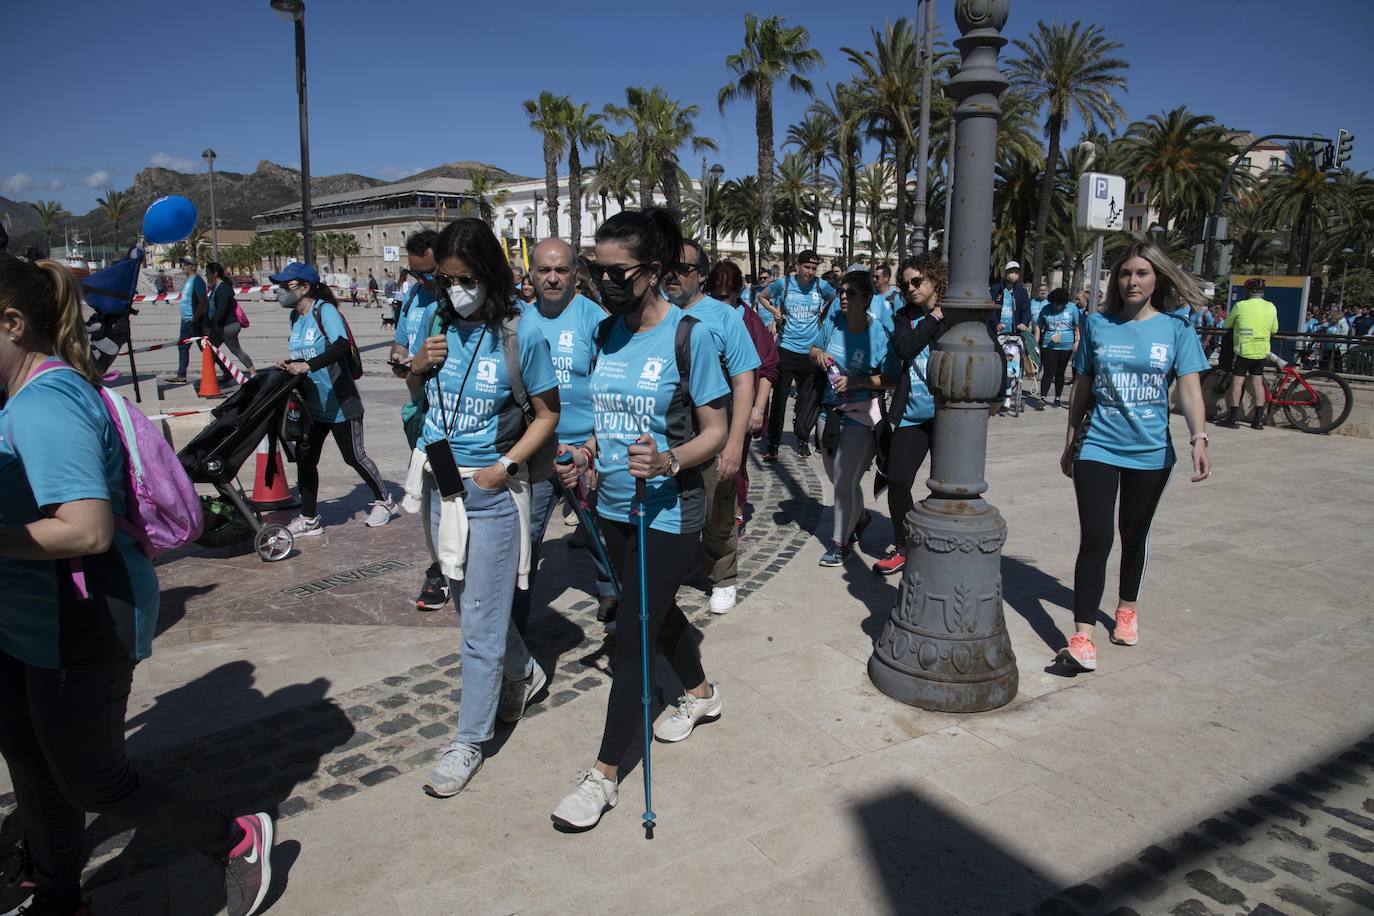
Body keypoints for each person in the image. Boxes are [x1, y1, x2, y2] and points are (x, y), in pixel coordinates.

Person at [0, 254, 276, 916]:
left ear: (11, 324)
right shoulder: (20, 398)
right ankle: (57, 893)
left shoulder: (45, 406)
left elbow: (86, 529)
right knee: (35, 769)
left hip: (83, 616)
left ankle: (235, 839)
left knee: (91, 779)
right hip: (24, 619)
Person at [549, 209, 728, 832]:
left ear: (652, 271)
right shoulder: (604, 333)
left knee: (630, 637)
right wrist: (585, 453)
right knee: (650, 608)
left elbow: (715, 429)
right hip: (614, 507)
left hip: (670, 510)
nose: (604, 282)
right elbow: (607, 418)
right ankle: (702, 694)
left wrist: (669, 459)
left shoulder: (689, 336)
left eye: (617, 272)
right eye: (596, 270)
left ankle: (602, 777)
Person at [404, 218, 560, 798]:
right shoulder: (436, 321)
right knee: (469, 605)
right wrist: (417, 368)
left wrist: (505, 467)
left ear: (490, 274)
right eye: (445, 280)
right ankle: (524, 672)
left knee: (479, 627)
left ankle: (469, 741)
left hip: (491, 492)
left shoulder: (522, 334)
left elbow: (547, 414)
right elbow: (422, 400)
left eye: (465, 279)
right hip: (437, 481)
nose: (455, 291)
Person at [1057, 241, 1211, 673]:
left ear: (1157, 278)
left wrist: (1199, 438)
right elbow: (1082, 388)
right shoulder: (1097, 325)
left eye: (1142, 273)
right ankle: (1082, 636)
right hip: (1097, 446)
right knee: (1096, 538)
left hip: (1151, 451)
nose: (1132, 281)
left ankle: (1126, 608)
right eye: (1125, 273)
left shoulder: (1176, 329)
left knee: (1134, 534)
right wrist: (1070, 441)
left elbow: (1189, 389)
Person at [514, 238, 619, 627]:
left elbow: (612, 389)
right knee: (526, 535)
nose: (553, 278)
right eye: (544, 270)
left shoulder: (596, 320)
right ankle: (516, 615)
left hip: (586, 449)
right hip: (536, 450)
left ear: (576, 275)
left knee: (599, 530)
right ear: (531, 275)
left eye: (561, 270)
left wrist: (591, 449)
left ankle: (611, 590)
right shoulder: (519, 321)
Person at [664, 240, 759, 614]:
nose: (673, 275)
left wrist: (734, 442)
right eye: (668, 267)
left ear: (702, 276)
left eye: (683, 268)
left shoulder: (724, 317)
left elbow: (744, 379)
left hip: (712, 430)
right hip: (667, 430)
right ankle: (666, 572)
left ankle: (722, 577)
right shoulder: (655, 313)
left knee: (716, 508)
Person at [272, 262, 397, 536]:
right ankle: (309, 519)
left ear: (305, 287)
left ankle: (385, 501)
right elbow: (305, 354)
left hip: (340, 401)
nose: (281, 291)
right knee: (306, 459)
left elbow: (341, 345)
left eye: (286, 286)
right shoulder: (295, 317)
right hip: (313, 406)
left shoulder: (324, 311)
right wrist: (291, 362)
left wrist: (306, 366)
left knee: (354, 456)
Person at [388, 232, 453, 612]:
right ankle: (441, 568)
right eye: (416, 274)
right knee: (433, 500)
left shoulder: (453, 305)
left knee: (452, 499)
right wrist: (403, 360)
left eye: (430, 273)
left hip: (453, 422)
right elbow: (401, 342)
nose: (424, 281)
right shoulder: (416, 299)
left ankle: (448, 570)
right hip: (422, 414)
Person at [811, 269, 892, 567]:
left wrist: (857, 382)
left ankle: (839, 543)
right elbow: (813, 349)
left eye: (851, 293)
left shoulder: (878, 334)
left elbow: (892, 378)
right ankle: (860, 517)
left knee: (844, 478)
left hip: (861, 413)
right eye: (841, 292)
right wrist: (819, 356)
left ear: (867, 298)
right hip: (829, 412)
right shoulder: (835, 321)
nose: (843, 297)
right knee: (838, 478)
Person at [874, 255, 945, 576]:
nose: (911, 288)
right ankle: (904, 546)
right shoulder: (904, 317)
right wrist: (933, 318)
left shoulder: (954, 315)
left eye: (917, 281)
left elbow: (992, 349)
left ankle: (941, 545)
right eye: (905, 284)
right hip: (911, 415)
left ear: (934, 280)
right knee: (899, 480)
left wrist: (996, 396)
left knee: (945, 486)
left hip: (946, 418)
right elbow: (905, 348)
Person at [706, 259, 778, 541]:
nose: (722, 303)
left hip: (741, 405)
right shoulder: (700, 315)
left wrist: (757, 409)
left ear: (738, 292)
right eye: (716, 296)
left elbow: (769, 367)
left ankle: (736, 513)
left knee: (734, 460)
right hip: (708, 403)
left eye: (727, 297)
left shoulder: (750, 321)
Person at [757, 250, 835, 460]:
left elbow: (835, 299)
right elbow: (762, 296)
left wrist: (824, 314)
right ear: (798, 266)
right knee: (779, 399)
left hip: (810, 352)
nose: (810, 272)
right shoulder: (784, 284)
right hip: (787, 349)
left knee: (806, 401)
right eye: (807, 267)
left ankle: (802, 440)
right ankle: (773, 443)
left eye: (814, 268)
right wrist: (774, 311)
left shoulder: (821, 286)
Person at [1217, 278, 1278, 430]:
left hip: (1244, 350)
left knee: (1237, 382)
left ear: (1248, 291)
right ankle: (1258, 420)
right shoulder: (1271, 306)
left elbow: (1227, 324)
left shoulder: (1241, 305)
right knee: (1258, 383)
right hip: (1261, 351)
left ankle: (1233, 418)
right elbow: (1274, 329)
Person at [205, 261, 254, 382]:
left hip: (228, 326)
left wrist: (209, 325)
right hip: (220, 326)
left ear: (215, 274)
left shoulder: (223, 289)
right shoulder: (216, 287)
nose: (206, 276)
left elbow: (221, 310)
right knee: (209, 349)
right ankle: (216, 375)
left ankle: (253, 373)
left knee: (235, 350)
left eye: (208, 273)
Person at [1036, 287, 1080, 408]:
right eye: (1055, 304)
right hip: (1049, 345)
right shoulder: (1046, 309)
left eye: (1059, 304)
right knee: (1048, 371)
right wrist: (1036, 342)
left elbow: (1077, 326)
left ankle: (1057, 398)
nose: (1057, 307)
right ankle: (1042, 397)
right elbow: (1039, 326)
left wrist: (1077, 340)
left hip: (1066, 345)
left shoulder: (1072, 308)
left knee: (1060, 372)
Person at [171, 257, 206, 384]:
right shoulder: (188, 281)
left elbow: (203, 301)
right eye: (182, 263)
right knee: (183, 347)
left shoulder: (197, 281)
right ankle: (181, 375)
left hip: (194, 320)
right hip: (185, 320)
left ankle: (223, 370)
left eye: (186, 264)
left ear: (193, 266)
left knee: (205, 348)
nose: (183, 266)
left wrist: (196, 316)